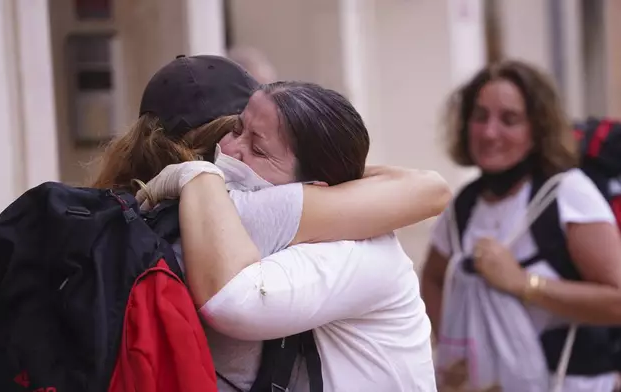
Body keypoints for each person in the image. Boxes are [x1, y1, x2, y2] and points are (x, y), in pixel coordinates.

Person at [95, 55, 448, 391]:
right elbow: (429, 187)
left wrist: (198, 177)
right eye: (235, 129)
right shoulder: (216, 205)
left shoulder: (174, 207)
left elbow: (233, 300)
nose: (231, 150)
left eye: (259, 149)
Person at [420, 60, 621, 391]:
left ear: (537, 129)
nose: (489, 132)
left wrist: (525, 283)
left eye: (509, 120)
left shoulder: (568, 193)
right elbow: (433, 277)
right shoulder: (465, 204)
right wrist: (451, 347)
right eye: (480, 116)